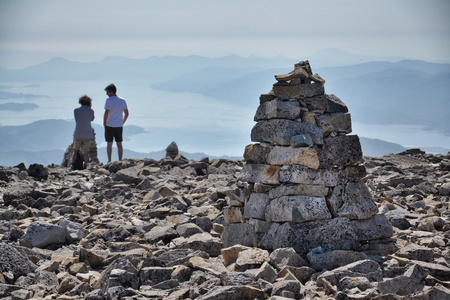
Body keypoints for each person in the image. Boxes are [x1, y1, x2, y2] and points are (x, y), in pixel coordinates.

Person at [103, 83, 129, 162]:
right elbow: (127, 113)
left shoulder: (108, 100)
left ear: (111, 92)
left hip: (109, 124)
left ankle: (109, 160)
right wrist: (122, 122)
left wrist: (104, 122)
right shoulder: (122, 100)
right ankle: (120, 160)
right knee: (119, 144)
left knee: (109, 144)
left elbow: (106, 112)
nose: (107, 94)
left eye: (107, 92)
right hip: (119, 125)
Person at [72, 95, 95, 169]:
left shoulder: (76, 110)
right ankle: (85, 165)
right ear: (89, 103)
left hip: (78, 134)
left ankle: (72, 164)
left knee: (75, 150)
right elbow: (92, 119)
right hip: (87, 134)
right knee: (86, 152)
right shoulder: (91, 111)